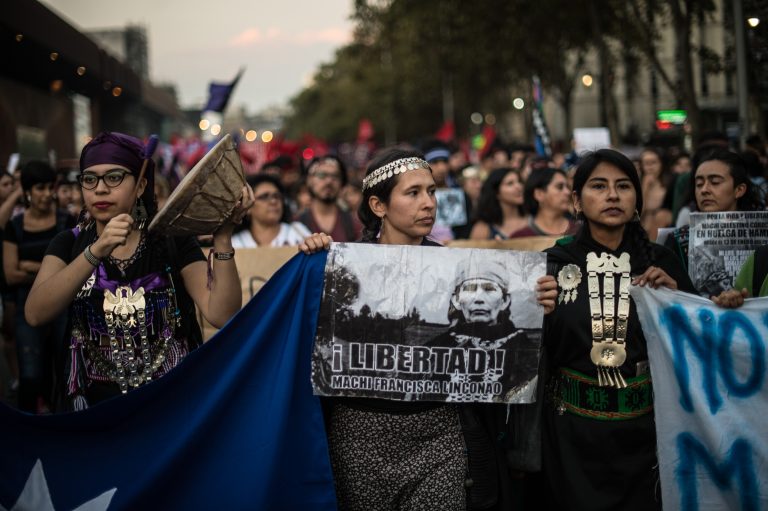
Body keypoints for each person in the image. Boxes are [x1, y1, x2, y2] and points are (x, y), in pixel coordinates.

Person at [300, 147, 557, 510]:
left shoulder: (459, 268)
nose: (429, 204)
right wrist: (312, 261)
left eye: (432, 191)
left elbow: (504, 355)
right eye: (414, 192)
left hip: (439, 438)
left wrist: (536, 303)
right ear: (378, 205)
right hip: (358, 439)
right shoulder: (342, 266)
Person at [24, 132, 253, 410]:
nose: (100, 189)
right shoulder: (69, 243)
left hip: (170, 403)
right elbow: (35, 313)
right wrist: (96, 251)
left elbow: (221, 314)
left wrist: (223, 238)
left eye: (114, 177)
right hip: (96, 410)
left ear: (141, 183)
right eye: (89, 179)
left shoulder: (171, 240)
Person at [539, 148, 696, 510]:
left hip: (648, 440)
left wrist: (679, 300)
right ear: (577, 200)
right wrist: (537, 310)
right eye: (599, 186)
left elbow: (698, 343)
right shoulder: (552, 264)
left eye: (623, 186)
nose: (613, 195)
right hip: (571, 441)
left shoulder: (661, 263)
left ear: (637, 199)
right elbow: (526, 352)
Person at [4, 161, 74, 412]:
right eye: (40, 188)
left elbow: (74, 269)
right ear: (27, 192)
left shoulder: (67, 221)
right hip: (26, 305)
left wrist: (30, 266)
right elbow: (11, 274)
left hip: (63, 305)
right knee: (30, 374)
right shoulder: (15, 226)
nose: (47, 194)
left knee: (66, 368)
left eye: (49, 188)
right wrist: (54, 270)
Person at [664, 148, 762, 272]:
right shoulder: (679, 241)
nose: (704, 190)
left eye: (715, 182)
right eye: (699, 184)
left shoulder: (761, 236)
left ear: (739, 190)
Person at [231, 174, 310, 248]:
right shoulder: (234, 243)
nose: (273, 201)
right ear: (248, 207)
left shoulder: (298, 232)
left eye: (277, 196)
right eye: (264, 197)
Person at [296, 155, 362, 242]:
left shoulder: (355, 225)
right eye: (322, 175)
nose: (329, 181)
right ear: (309, 180)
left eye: (335, 176)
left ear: (342, 183)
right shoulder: (295, 225)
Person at [510, 168, 577, 238]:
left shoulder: (580, 232)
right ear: (539, 194)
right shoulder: (521, 237)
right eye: (559, 187)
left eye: (568, 187)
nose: (567, 192)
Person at [470, 167, 527, 239]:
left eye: (519, 181)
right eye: (510, 184)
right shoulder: (483, 229)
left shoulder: (534, 221)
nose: (519, 187)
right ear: (496, 192)